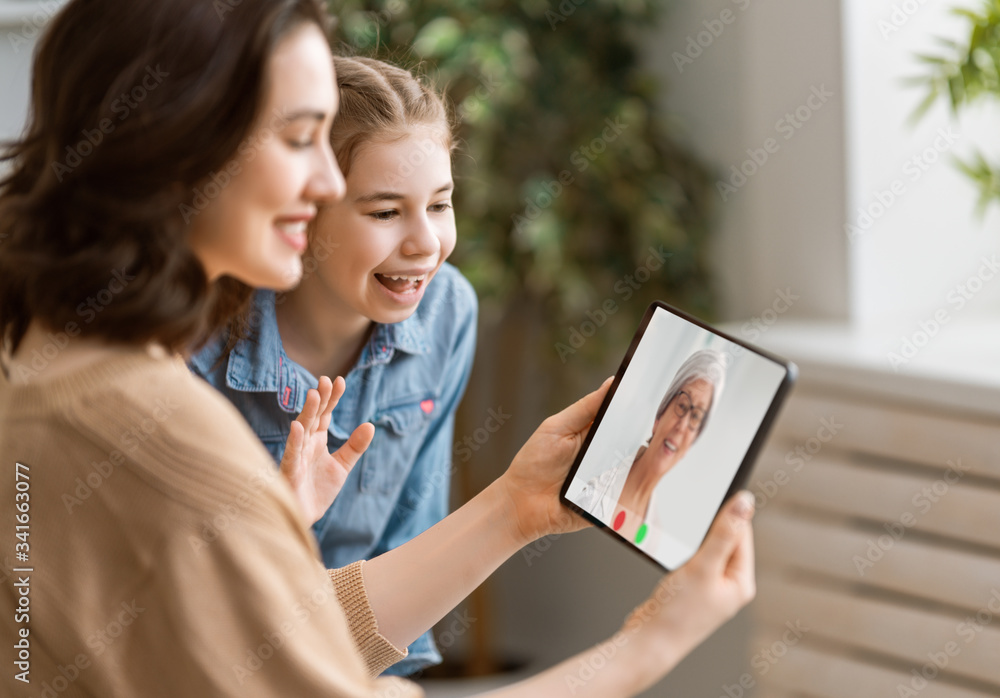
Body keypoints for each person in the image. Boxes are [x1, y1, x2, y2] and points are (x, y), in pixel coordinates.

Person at [0, 2, 756, 697]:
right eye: (300, 138)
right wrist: (653, 640)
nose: (326, 178)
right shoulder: (155, 425)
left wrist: (515, 508)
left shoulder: (61, 355)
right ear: (183, 145)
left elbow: (257, 652)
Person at [189, 55, 476, 675]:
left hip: (354, 669)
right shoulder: (196, 340)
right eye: (384, 211)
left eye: (440, 205)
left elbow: (413, 543)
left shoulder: (449, 311)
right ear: (305, 210)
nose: (425, 242)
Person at [576, 350, 728, 546]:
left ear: (692, 442)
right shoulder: (592, 493)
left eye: (696, 417)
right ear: (659, 416)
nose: (682, 427)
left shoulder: (654, 537)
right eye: (682, 406)